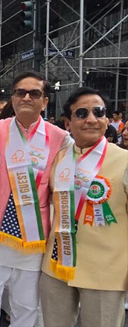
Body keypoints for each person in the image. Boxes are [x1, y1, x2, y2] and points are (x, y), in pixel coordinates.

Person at [0, 72, 70, 327]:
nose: (27, 97)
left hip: (33, 238)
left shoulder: (61, 139)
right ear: (13, 98)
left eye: (34, 93)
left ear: (45, 101)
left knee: (26, 305)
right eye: (20, 92)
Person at [39, 87, 128, 327]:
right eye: (81, 113)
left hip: (105, 270)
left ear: (107, 120)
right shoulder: (59, 158)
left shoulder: (124, 160)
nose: (91, 119)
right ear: (67, 123)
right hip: (57, 265)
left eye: (99, 112)